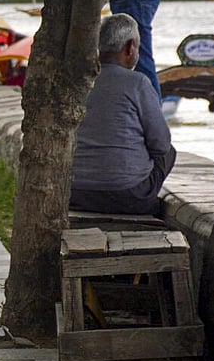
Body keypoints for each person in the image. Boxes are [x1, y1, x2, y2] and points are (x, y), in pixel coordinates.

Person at [70, 13, 175, 215]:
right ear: (129, 47)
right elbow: (161, 144)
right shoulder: (138, 82)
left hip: (76, 193)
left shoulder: (77, 82)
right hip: (126, 196)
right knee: (169, 152)